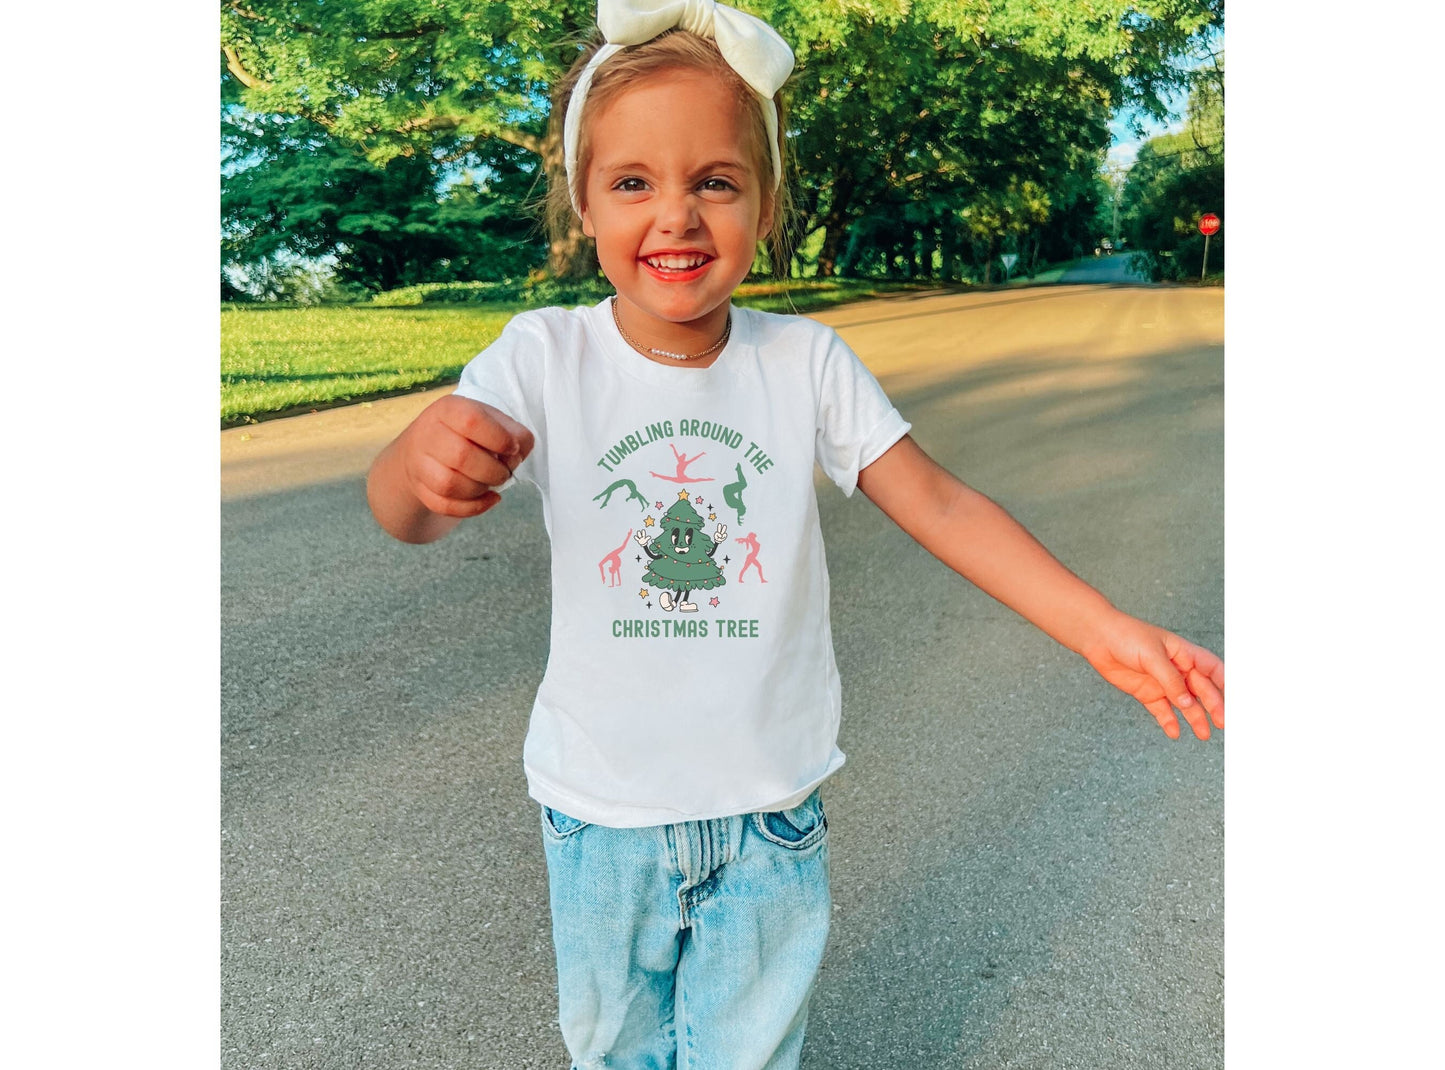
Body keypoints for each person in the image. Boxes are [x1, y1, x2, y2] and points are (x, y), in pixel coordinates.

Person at [365, 2, 1225, 1067]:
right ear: (582, 204)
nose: (674, 215)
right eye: (632, 182)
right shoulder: (541, 358)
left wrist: (1096, 626)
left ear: (765, 204)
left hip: (767, 814)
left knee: (749, 1054)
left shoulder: (803, 363)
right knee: (611, 1050)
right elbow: (400, 516)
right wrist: (419, 462)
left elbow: (941, 503)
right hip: (600, 813)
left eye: (713, 181)